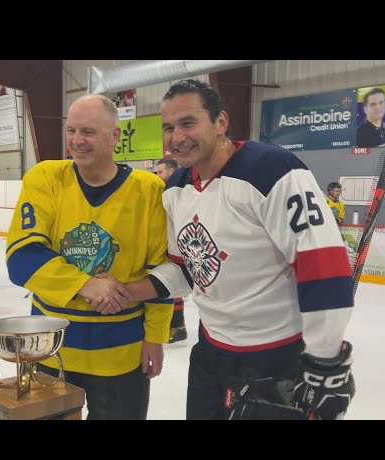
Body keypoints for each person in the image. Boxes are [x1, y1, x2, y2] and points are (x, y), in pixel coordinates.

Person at [101, 79, 356, 420]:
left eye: (188, 123)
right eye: (168, 127)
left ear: (221, 123)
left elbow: (323, 265)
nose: (176, 137)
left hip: (277, 358)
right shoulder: (175, 189)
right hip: (210, 354)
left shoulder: (273, 170)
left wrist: (325, 360)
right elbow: (188, 268)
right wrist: (129, 292)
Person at [5, 94, 173, 420]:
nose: (77, 141)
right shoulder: (45, 178)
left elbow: (160, 269)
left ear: (115, 136)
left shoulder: (149, 190)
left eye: (89, 132)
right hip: (51, 351)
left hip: (123, 353)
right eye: (71, 131)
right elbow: (21, 257)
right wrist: (87, 285)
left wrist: (155, 337)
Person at [155, 158, 188, 344]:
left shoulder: (179, 191)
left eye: (160, 171)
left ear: (171, 171)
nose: (158, 175)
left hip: (174, 243)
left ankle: (176, 327)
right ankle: (176, 327)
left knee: (172, 286)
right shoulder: (164, 191)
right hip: (166, 240)